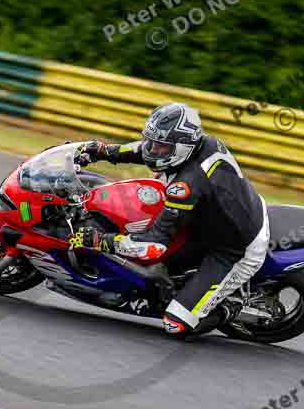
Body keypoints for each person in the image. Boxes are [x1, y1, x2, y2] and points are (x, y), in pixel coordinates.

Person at [70, 102, 270, 337]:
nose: (153, 150)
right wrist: (103, 151)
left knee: (176, 325)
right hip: (212, 219)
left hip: (235, 249)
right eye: (152, 141)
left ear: (182, 148)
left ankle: (230, 305)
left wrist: (101, 241)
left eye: (161, 147)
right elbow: (143, 151)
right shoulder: (203, 143)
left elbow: (153, 245)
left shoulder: (185, 186)